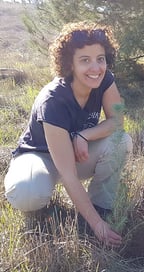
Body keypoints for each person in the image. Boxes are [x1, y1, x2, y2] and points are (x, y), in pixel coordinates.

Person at [4, 21, 132, 246]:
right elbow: (68, 174)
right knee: (28, 193)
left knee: (121, 141)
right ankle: (46, 205)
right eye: (85, 60)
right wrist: (97, 228)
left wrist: (85, 135)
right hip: (40, 157)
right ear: (69, 64)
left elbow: (117, 121)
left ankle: (101, 207)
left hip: (76, 152)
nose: (96, 68)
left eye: (100, 59)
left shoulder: (106, 80)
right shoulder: (53, 100)